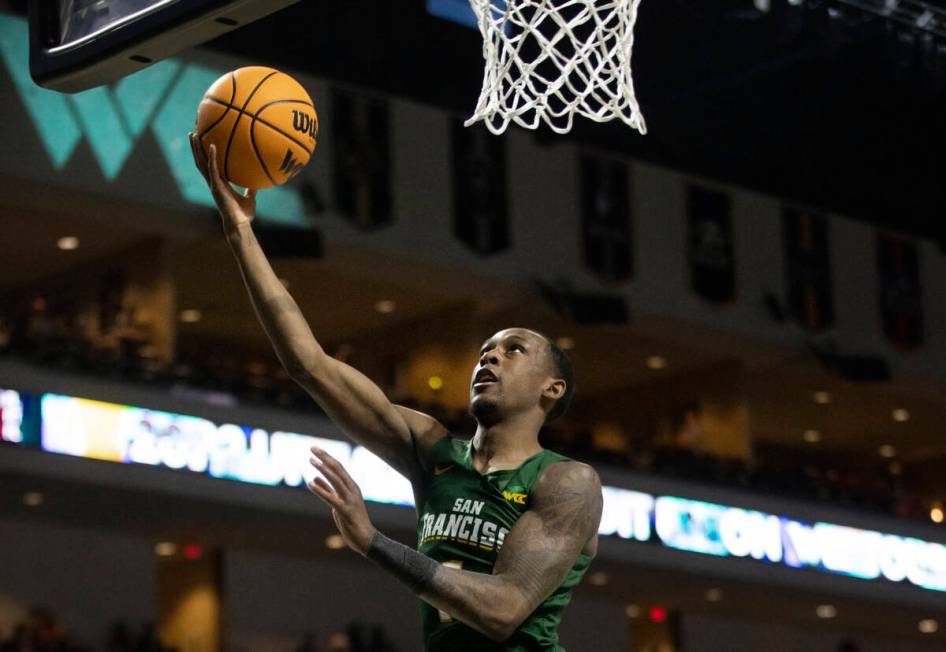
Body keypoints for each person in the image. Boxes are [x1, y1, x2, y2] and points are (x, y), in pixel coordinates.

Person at [189, 136, 603, 651]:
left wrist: (373, 543)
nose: (489, 358)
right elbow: (310, 365)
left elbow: (504, 609)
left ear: (552, 388)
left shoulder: (568, 482)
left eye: (513, 350)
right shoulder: (433, 451)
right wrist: (240, 231)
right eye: (484, 351)